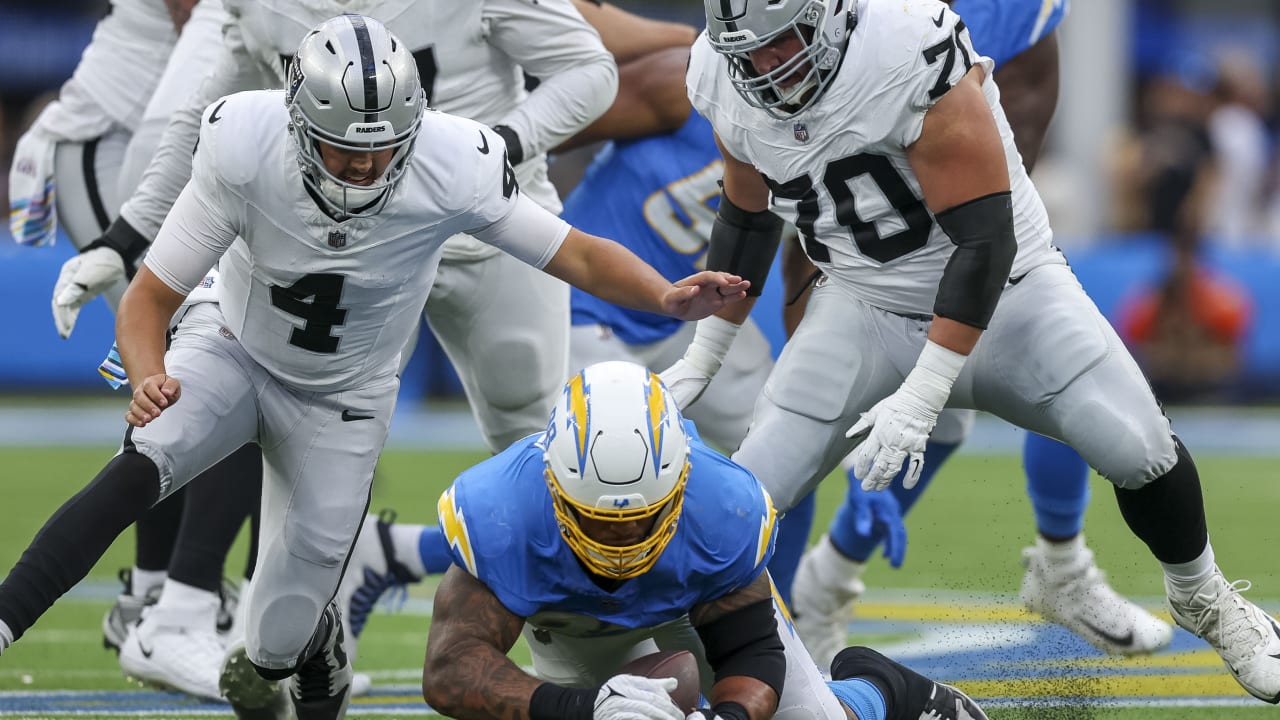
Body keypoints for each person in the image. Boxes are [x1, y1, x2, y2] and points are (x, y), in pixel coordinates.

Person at [0, 16, 748, 720]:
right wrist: (147, 375)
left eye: (382, 146)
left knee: (275, 645)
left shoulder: (453, 161)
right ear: (298, 124)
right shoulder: (244, 140)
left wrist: (664, 293)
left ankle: (315, 644)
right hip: (232, 346)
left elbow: (572, 250)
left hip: (345, 401)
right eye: (340, 147)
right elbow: (150, 296)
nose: (362, 164)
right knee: (143, 462)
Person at [660, 0, 1280, 704]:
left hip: (1014, 292)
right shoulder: (719, 71)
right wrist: (705, 357)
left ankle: (1203, 597)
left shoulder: (903, 45)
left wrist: (921, 398)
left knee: (1140, 448)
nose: (770, 70)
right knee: (741, 500)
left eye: (786, 44)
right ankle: (717, 675)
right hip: (863, 303)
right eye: (751, 55)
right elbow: (746, 211)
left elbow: (985, 242)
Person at [785, 0, 1172, 670]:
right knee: (792, 431)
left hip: (971, 230)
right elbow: (809, 213)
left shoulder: (1013, 17)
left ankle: (1057, 563)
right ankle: (774, 630)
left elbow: (1023, 119)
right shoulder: (860, 33)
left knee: (1058, 366)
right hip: (855, 246)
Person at [421, 360, 990, 720]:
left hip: (690, 604)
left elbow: (748, 648)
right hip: (575, 624)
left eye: (644, 515)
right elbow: (449, 671)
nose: (621, 538)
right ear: (553, 485)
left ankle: (879, 691)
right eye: (596, 517)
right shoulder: (501, 512)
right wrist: (583, 709)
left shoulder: (725, 503)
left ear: (680, 482)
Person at [8, 0, 264, 689]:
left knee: (228, 375)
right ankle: (168, 608)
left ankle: (172, 602)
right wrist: (125, 240)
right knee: (222, 374)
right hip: (134, 144)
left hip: (183, 135)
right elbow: (203, 29)